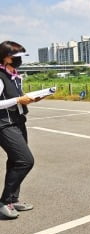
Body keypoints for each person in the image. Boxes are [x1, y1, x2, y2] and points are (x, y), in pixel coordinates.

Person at [0, 41, 38, 219]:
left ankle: (13, 199)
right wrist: (18, 101)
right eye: (16, 57)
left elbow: (17, 99)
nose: (19, 60)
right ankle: (3, 202)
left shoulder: (14, 75)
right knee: (25, 160)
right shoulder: (0, 76)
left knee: (15, 162)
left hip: (18, 121)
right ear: (5, 56)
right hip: (4, 124)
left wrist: (31, 99)